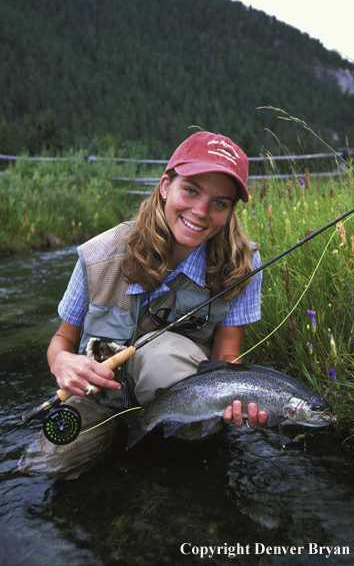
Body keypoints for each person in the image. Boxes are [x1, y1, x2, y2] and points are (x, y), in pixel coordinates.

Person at [19, 131, 266, 479]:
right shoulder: (98, 255)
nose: (200, 211)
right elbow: (62, 340)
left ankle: (178, 436)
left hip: (182, 397)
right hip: (98, 399)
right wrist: (61, 362)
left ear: (229, 211)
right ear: (166, 184)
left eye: (219, 203)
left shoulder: (242, 265)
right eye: (191, 190)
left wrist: (243, 399)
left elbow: (228, 357)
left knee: (164, 362)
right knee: (45, 468)